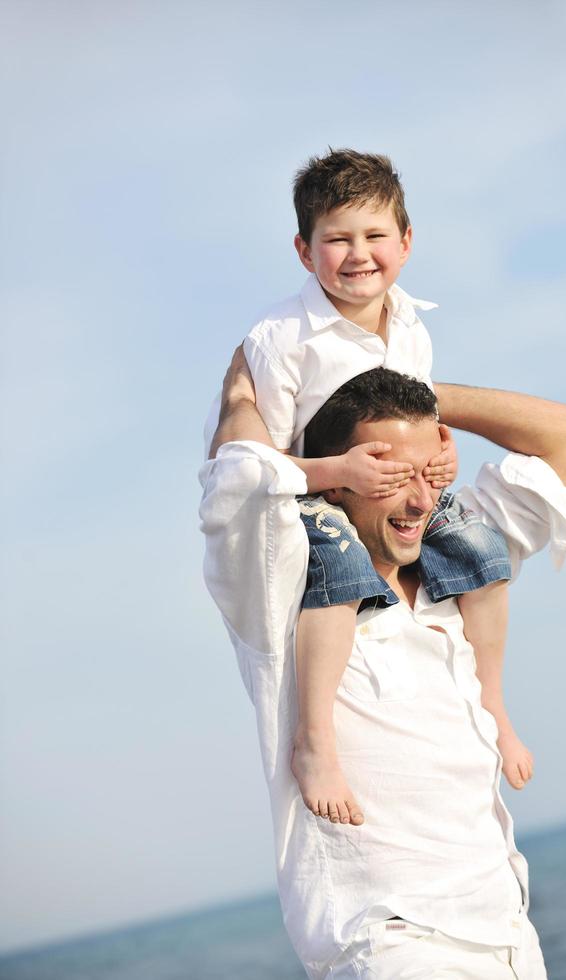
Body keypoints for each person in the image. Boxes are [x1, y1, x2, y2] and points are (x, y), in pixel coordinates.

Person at [199, 358, 566, 978]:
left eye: (426, 475)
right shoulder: (280, 589)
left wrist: (424, 398)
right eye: (390, 475)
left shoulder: (455, 563)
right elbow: (240, 476)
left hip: (510, 937)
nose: (419, 501)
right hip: (392, 945)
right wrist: (240, 398)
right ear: (336, 481)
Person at [203, 149, 530, 831]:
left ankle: (493, 703)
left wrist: (441, 452)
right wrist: (340, 474)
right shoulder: (281, 338)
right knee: (342, 572)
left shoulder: (411, 324)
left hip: (393, 487)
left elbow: (420, 415)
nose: (359, 255)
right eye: (337, 239)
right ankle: (315, 738)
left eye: (375, 236)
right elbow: (259, 461)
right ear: (304, 250)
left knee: (481, 553)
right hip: (314, 493)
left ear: (405, 243)